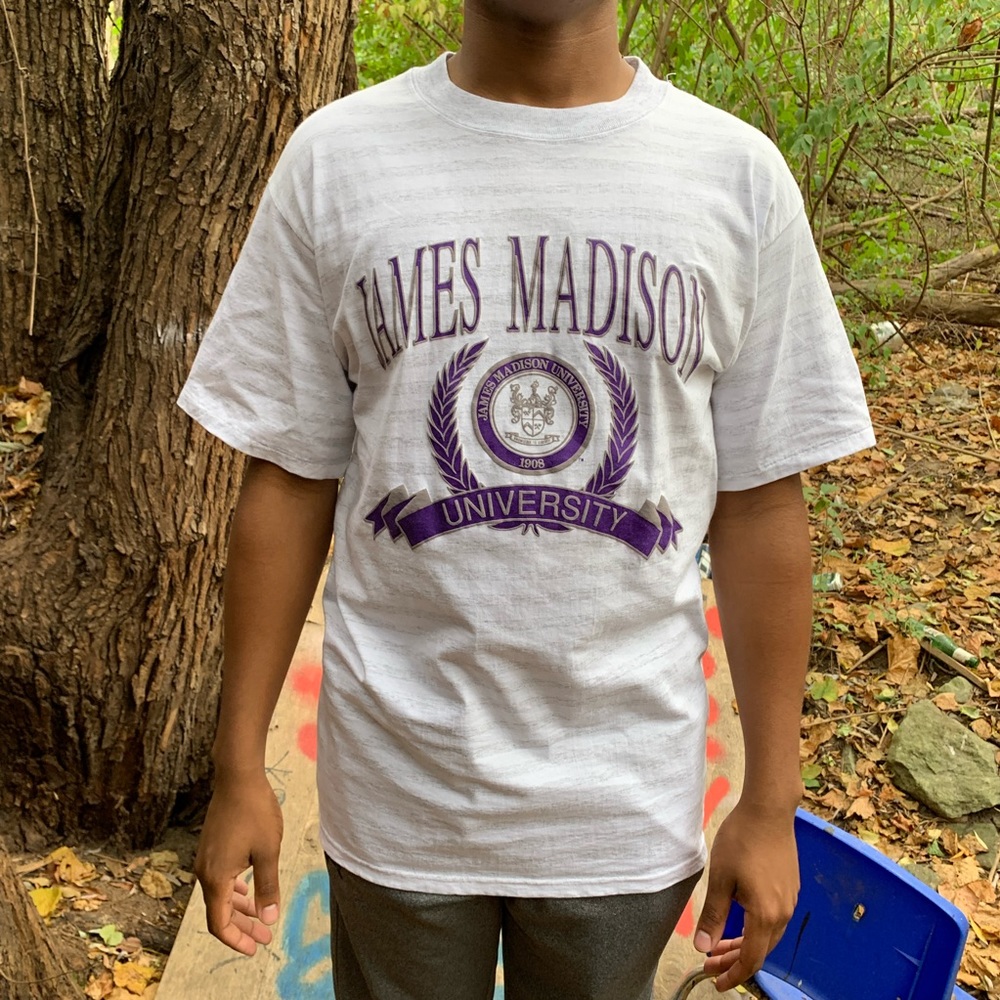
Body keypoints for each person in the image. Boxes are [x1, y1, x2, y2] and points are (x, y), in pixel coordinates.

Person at [179, 2, 875, 997]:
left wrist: (770, 804)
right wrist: (238, 767)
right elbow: (288, 479)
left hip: (624, 811)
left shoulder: (736, 178)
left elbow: (762, 504)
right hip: (397, 798)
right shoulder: (336, 162)